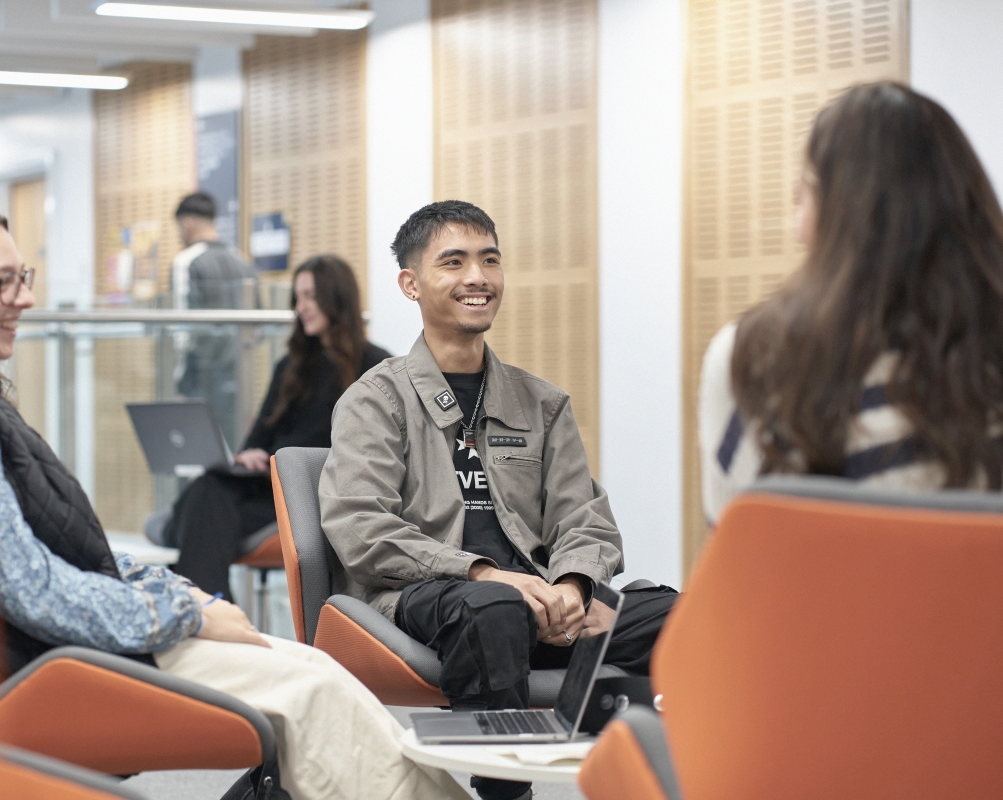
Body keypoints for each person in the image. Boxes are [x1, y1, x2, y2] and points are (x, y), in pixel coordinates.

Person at [0, 198, 468, 800]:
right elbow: (35, 589)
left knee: (319, 673)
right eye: (2, 282)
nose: (23, 298)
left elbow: (66, 555)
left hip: (98, 637)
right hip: (72, 659)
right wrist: (188, 613)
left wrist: (181, 596)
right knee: (312, 693)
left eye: (23, 278)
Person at [319, 200, 677, 800]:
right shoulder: (374, 400)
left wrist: (574, 587)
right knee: (493, 609)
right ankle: (508, 793)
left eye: (489, 260)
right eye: (452, 262)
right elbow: (363, 528)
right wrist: (487, 573)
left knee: (688, 619)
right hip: (432, 598)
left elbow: (584, 518)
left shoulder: (542, 403)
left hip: (543, 599)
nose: (477, 277)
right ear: (410, 284)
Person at [699, 82, 1003, 523]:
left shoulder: (751, 363)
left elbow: (741, 563)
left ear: (833, 213)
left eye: (801, 197)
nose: (796, 228)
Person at [164, 255, 391, 598]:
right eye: (297, 298)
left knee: (204, 504)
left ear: (336, 297)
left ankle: (199, 600)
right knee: (211, 487)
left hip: (311, 489)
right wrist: (250, 455)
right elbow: (258, 438)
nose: (301, 307)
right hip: (267, 481)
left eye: (310, 296)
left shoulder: (374, 365)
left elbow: (369, 453)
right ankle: (210, 608)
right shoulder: (292, 366)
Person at [172, 191, 258, 446]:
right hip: (238, 382)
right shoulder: (243, 262)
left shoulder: (186, 262)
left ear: (186, 223)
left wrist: (181, 387)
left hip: (200, 382)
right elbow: (257, 327)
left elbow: (183, 332)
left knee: (192, 459)